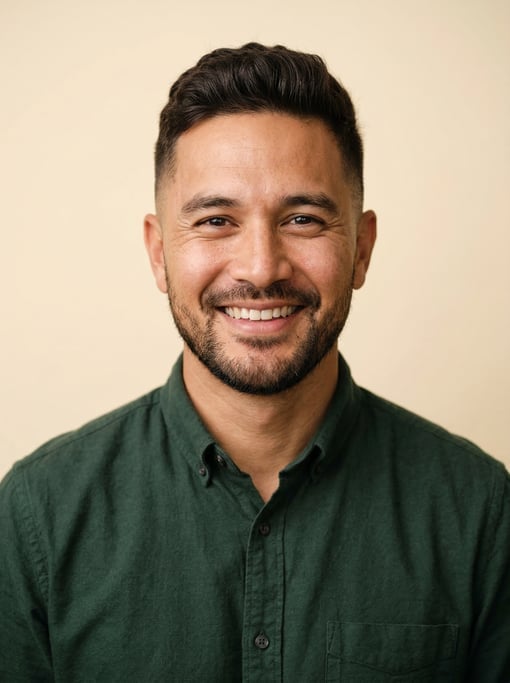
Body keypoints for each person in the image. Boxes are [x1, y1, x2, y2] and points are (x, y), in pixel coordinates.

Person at [0, 43, 508, 682]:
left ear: (362, 248)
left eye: (303, 218)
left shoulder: (481, 511)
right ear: (159, 254)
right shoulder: (38, 515)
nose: (261, 267)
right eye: (216, 220)